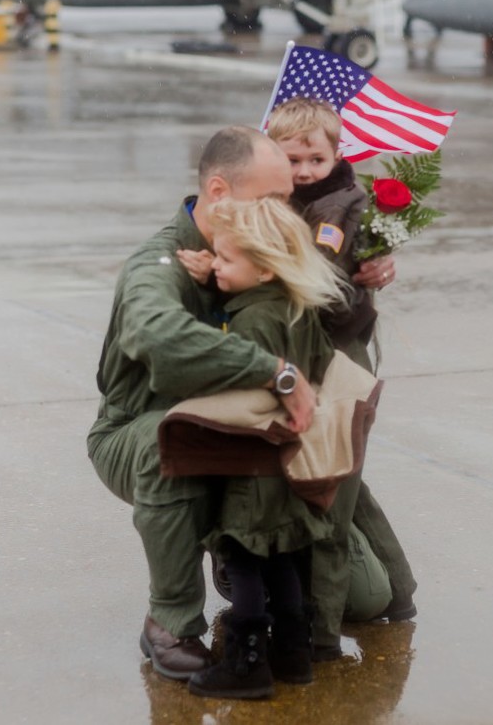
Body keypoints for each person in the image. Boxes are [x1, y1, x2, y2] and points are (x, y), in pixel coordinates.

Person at [87, 126, 363, 681]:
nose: (288, 211)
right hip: (142, 429)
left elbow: (325, 307)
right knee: (172, 442)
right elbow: (160, 337)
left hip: (251, 435)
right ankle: (170, 620)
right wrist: (275, 372)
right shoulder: (158, 266)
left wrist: (370, 274)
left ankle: (236, 547)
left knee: (368, 595)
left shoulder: (256, 242)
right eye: (272, 199)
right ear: (219, 192)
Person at [186, 195, 349, 698]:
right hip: (289, 462)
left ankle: (247, 664)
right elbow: (321, 367)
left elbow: (233, 377)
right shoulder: (296, 310)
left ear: (263, 271)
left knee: (241, 554)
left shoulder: (252, 321)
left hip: (251, 464)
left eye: (226, 258)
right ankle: (293, 654)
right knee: (280, 555)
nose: (215, 263)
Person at [266, 97, 418, 620]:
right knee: (343, 474)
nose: (305, 171)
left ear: (336, 156)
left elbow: (323, 285)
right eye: (292, 160)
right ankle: (398, 588)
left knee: (340, 478)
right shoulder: (283, 198)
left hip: (337, 350)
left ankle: (367, 600)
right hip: (310, 348)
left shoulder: (334, 207)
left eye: (315, 160)